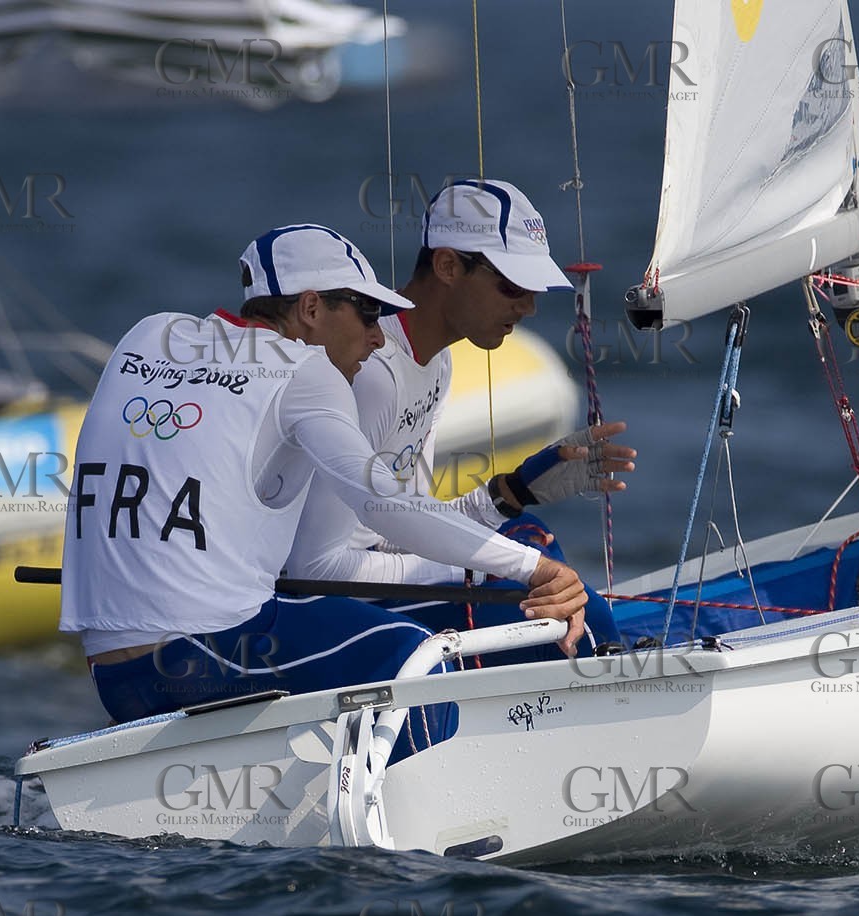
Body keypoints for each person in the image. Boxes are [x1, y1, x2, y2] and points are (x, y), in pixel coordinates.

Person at [59, 223, 589, 741]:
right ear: (311, 309)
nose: (378, 336)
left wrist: (503, 501)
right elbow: (384, 505)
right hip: (203, 651)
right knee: (410, 656)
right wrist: (531, 566)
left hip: (111, 672)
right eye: (366, 313)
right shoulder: (306, 371)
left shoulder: (150, 335)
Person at [286, 179, 635, 663]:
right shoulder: (374, 371)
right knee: (576, 620)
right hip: (315, 602)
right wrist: (477, 571)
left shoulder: (438, 360)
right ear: (448, 266)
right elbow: (311, 569)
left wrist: (512, 492)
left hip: (366, 583)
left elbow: (401, 527)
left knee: (531, 536)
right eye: (512, 287)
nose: (528, 307)